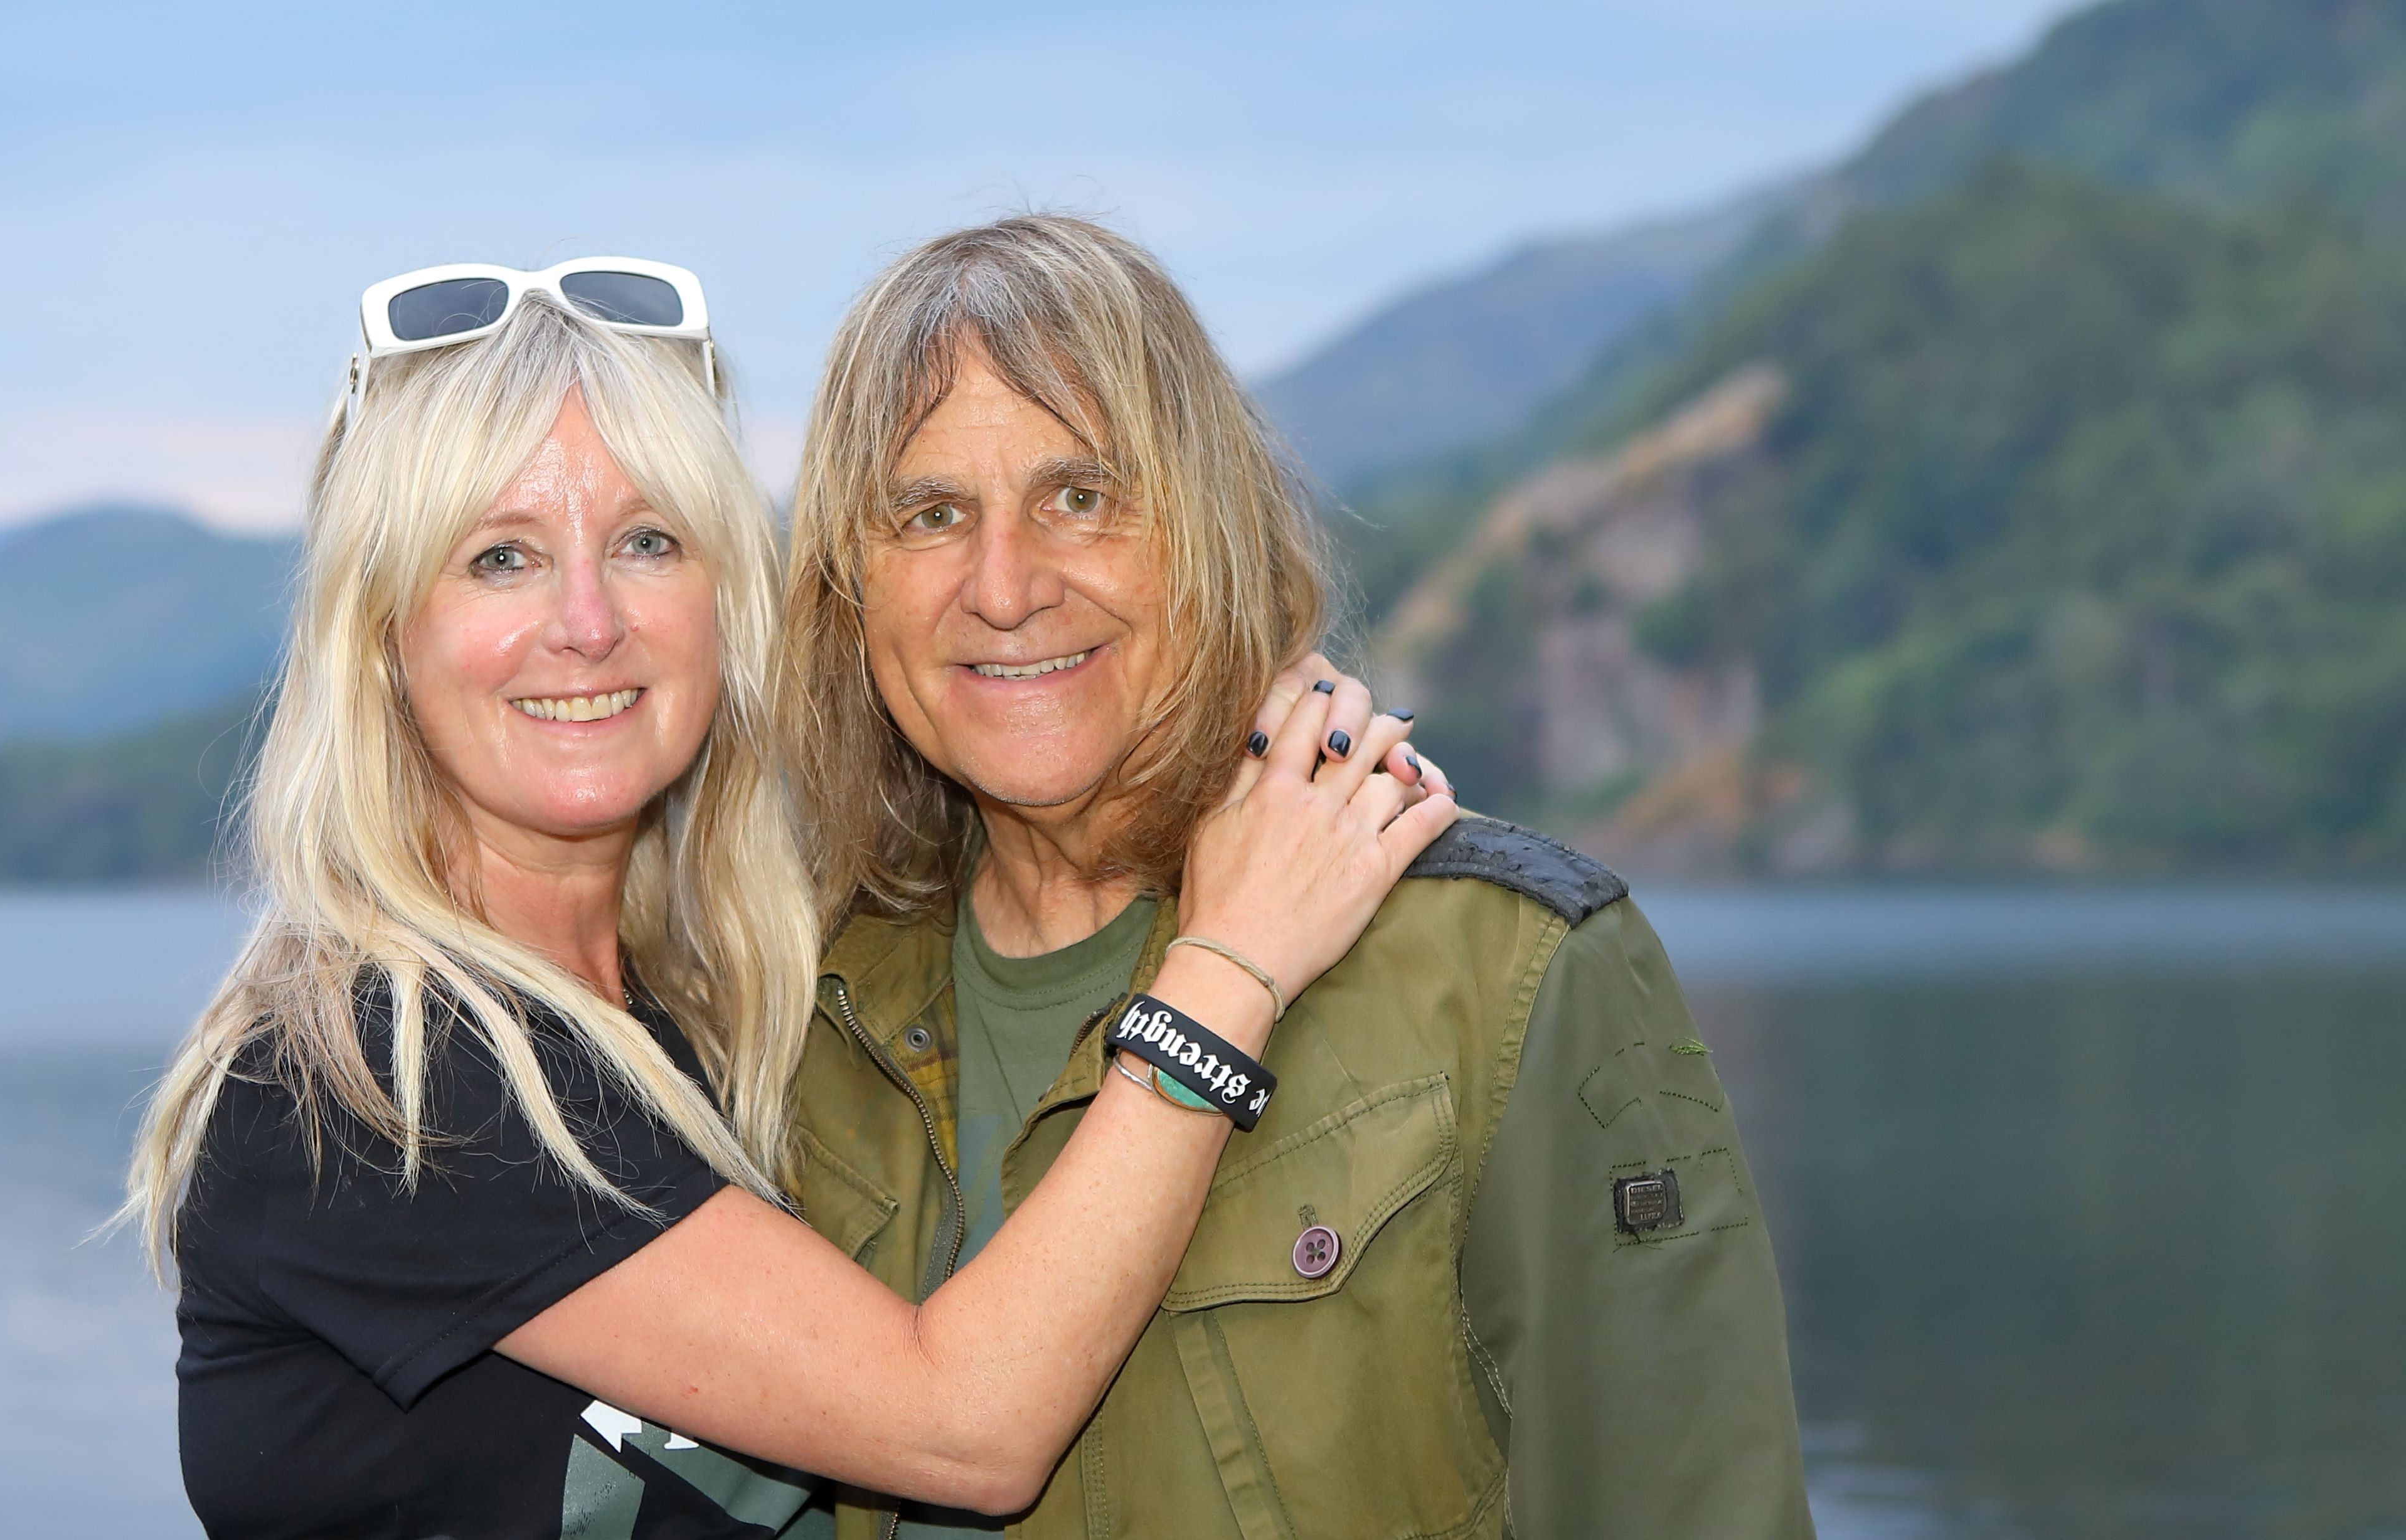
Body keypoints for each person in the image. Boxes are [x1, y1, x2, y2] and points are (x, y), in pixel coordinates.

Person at [117, 257, 1464, 1539]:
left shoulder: (711, 1002)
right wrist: (1233, 962)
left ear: (728, 600)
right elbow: (967, 1425)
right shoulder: (377, 1087)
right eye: (501, 557)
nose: (588, 621)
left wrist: (1237, 715)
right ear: (381, 637)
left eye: (648, 540)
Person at [777, 215, 1815, 1539]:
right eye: (931, 515)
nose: (1004, 586)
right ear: (849, 590)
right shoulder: (808, 1016)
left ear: (1208, 529)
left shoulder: (1507, 970)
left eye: (1079, 496)